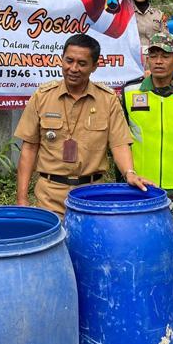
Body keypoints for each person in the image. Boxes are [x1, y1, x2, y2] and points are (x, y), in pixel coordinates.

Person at [120, 32, 173, 344]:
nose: (158, 61)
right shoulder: (128, 93)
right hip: (138, 192)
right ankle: (139, 316)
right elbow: (119, 141)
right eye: (153, 55)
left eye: (165, 56)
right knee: (137, 254)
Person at [14, 33, 152, 215]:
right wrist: (22, 199)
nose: (73, 68)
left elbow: (119, 144)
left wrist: (129, 173)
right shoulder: (42, 96)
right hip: (49, 197)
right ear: (61, 59)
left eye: (82, 63)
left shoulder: (107, 100)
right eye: (69, 61)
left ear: (94, 66)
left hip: (92, 196)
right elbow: (29, 149)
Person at [126, 0, 168, 72]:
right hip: (131, 67)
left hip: (155, 66)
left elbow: (166, 43)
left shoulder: (159, 15)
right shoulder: (124, 14)